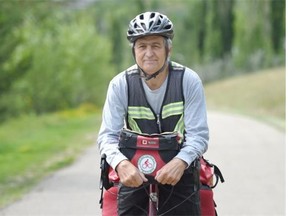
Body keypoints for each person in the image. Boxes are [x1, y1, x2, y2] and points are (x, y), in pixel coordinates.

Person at [98, 11, 209, 216]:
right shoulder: (120, 84)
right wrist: (121, 164)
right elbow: (107, 136)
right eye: (142, 46)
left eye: (156, 45)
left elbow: (198, 135)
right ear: (134, 51)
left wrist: (181, 162)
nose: (149, 52)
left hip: (179, 166)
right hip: (134, 168)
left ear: (168, 49)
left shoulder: (188, 81)